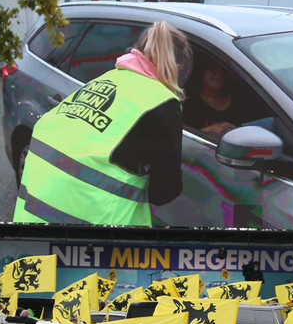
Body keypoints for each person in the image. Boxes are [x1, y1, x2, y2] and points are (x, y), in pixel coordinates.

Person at [13, 21, 190, 226]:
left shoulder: (108, 78)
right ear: (179, 65)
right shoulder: (163, 103)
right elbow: (164, 192)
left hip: (32, 216)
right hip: (90, 231)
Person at [184, 61, 239, 139]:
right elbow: (185, 138)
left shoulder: (238, 100)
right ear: (202, 73)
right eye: (213, 69)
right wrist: (208, 131)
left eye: (222, 70)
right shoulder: (188, 105)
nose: (218, 73)